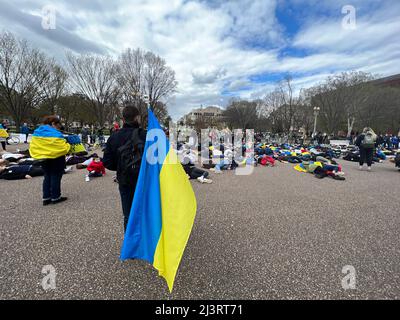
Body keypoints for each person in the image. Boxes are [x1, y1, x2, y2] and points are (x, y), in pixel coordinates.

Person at [103, 105, 146, 231]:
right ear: (137, 118)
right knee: (146, 212)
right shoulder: (146, 135)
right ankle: (147, 243)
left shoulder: (114, 137)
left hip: (124, 179)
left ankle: (131, 245)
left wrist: (121, 166)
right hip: (143, 179)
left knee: (128, 214)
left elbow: (107, 162)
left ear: (123, 119)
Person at [29, 116, 71, 205]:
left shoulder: (37, 132)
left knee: (47, 176)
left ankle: (46, 198)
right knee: (55, 176)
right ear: (53, 124)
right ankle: (56, 197)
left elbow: (33, 145)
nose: (59, 127)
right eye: (58, 124)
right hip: (56, 158)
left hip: (43, 158)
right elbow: (63, 148)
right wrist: (68, 146)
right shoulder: (56, 133)